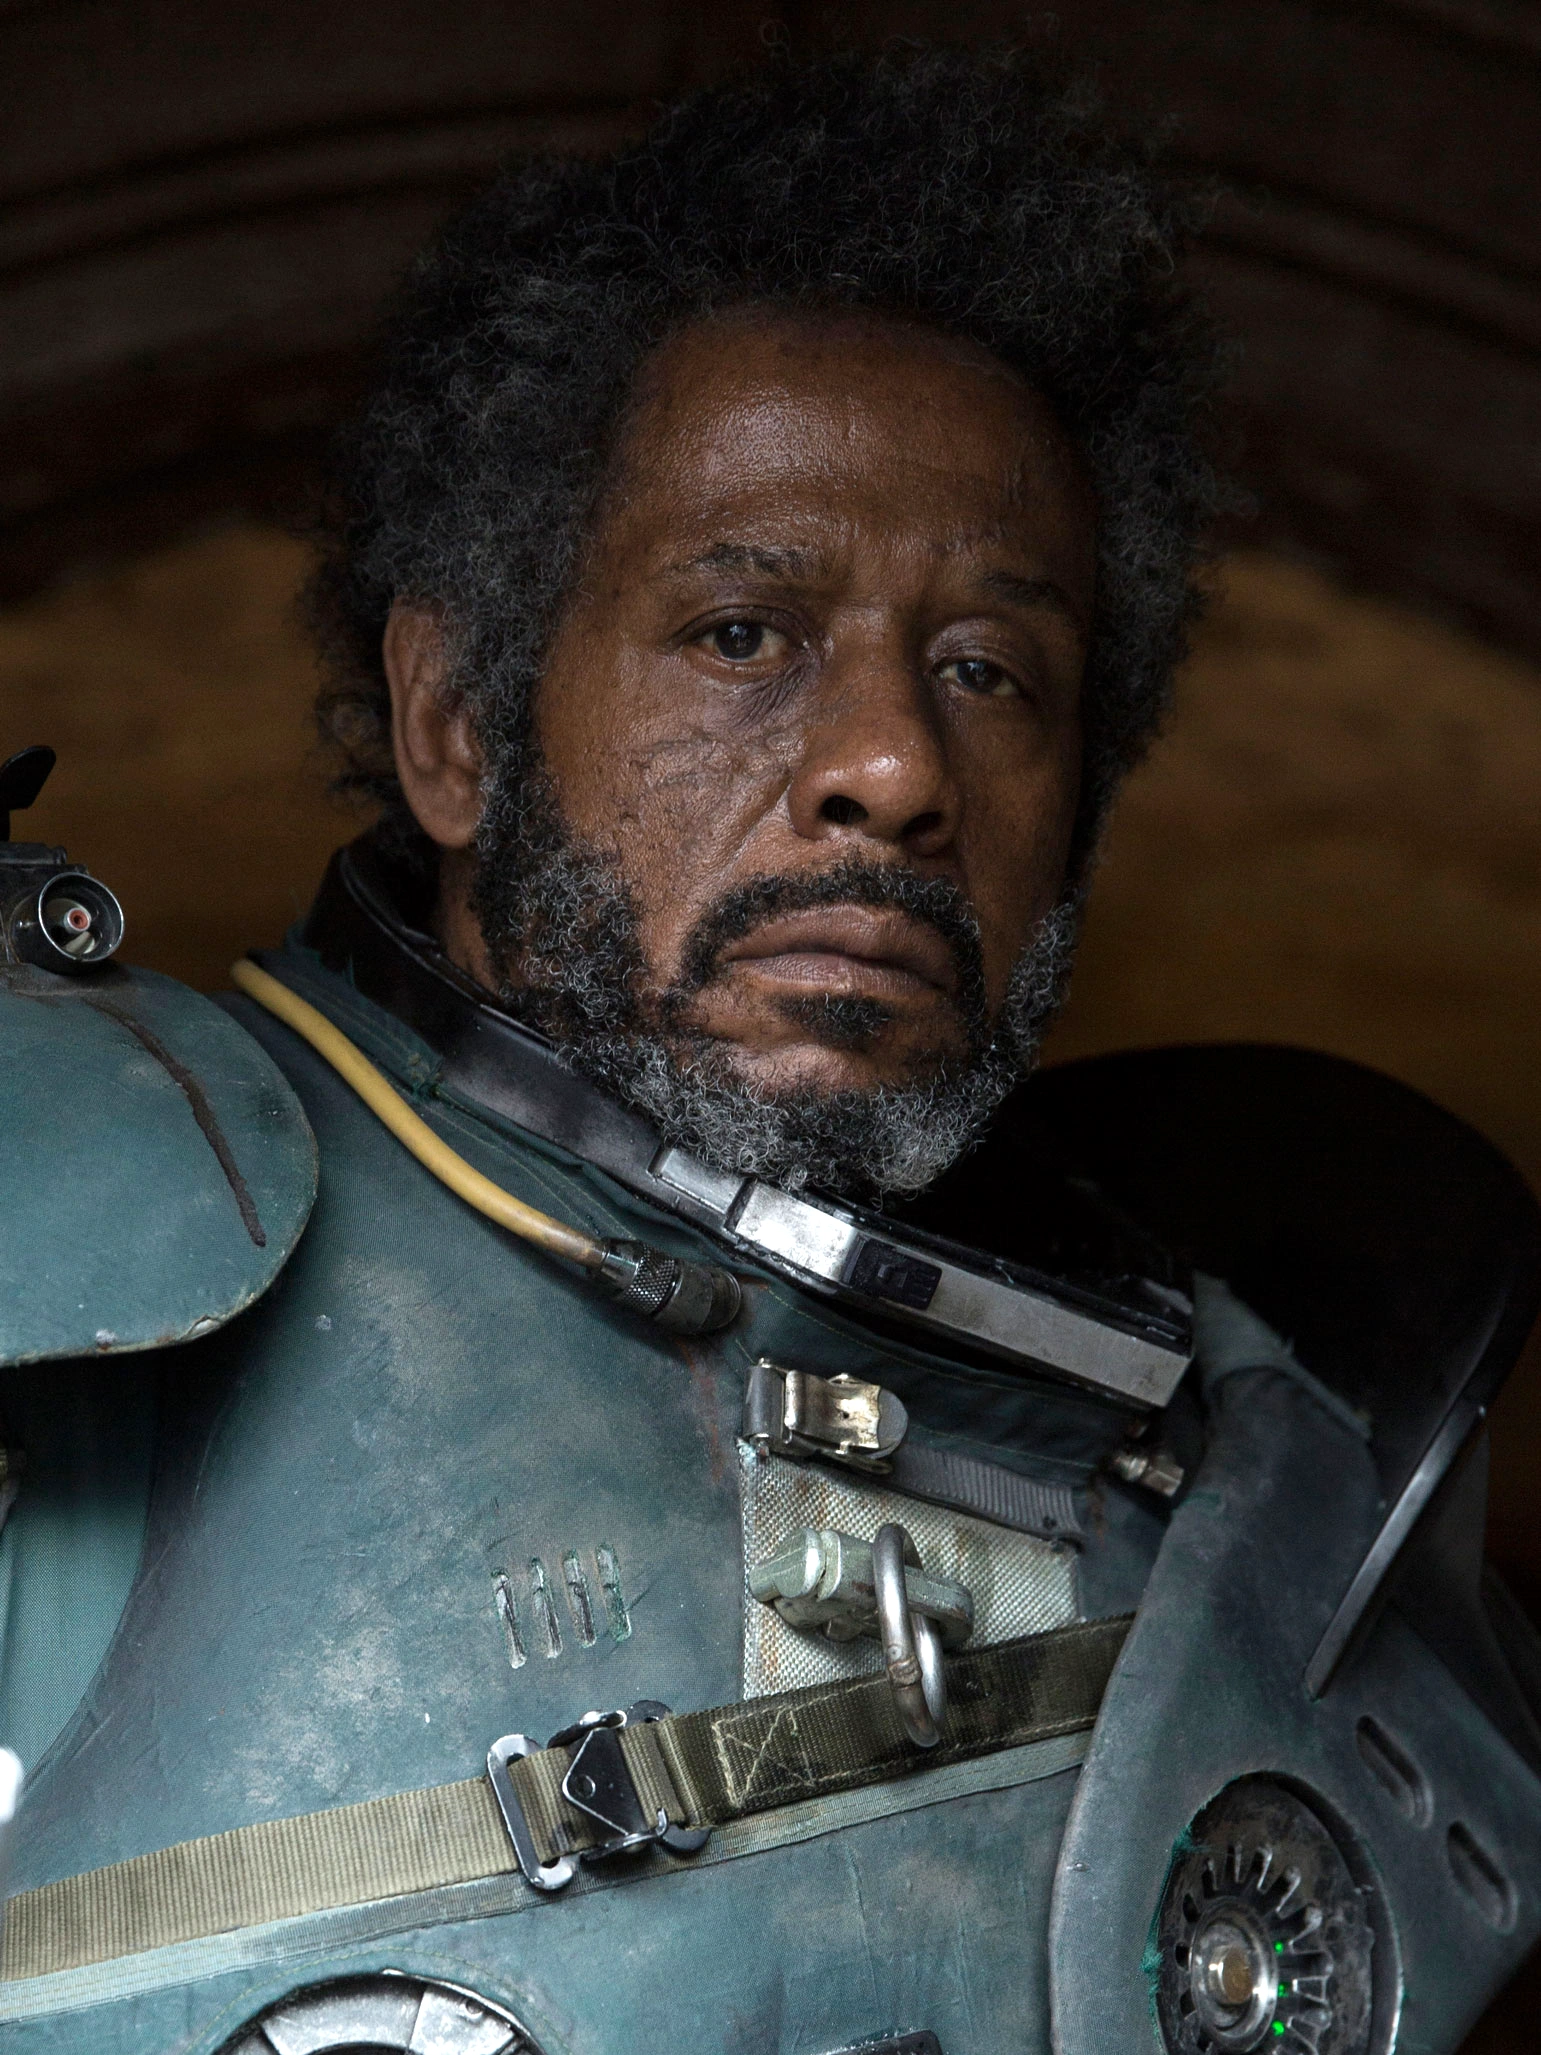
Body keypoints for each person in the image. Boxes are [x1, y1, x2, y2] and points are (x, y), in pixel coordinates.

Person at [2, 48, 1539, 2055]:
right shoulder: (71, 1230)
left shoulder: (1287, 1525)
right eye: (744, 633)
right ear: (458, 724)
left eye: (989, 670)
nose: (895, 765)